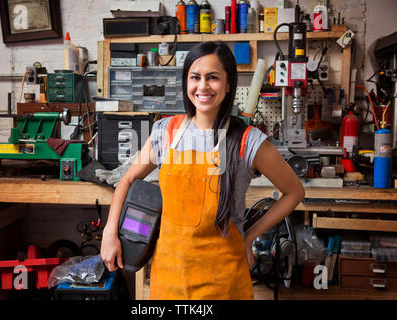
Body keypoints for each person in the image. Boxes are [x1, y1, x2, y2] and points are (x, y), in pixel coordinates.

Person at [101, 41, 304, 300]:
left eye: (213, 78)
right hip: (169, 277)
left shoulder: (247, 140)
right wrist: (109, 233)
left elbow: (294, 192)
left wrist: (250, 236)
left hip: (223, 281)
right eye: (195, 77)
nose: (203, 86)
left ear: (229, 84)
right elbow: (127, 180)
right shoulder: (166, 131)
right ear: (186, 83)